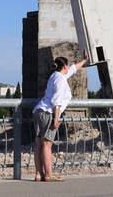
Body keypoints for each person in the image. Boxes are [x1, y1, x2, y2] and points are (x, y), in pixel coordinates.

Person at [32, 51, 88, 182]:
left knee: (39, 144)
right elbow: (57, 102)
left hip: (39, 111)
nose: (69, 68)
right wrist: (56, 119)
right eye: (67, 66)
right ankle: (49, 175)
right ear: (64, 66)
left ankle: (39, 174)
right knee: (47, 144)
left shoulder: (55, 75)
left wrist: (84, 60)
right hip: (48, 113)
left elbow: (73, 69)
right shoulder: (61, 80)